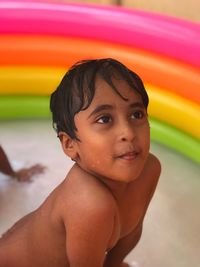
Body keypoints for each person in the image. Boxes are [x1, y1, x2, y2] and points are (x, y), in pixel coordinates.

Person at [0, 58, 161, 267]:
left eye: (136, 114)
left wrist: (114, 263)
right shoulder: (89, 203)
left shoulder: (150, 169)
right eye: (105, 119)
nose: (128, 133)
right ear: (70, 145)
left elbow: (131, 231)